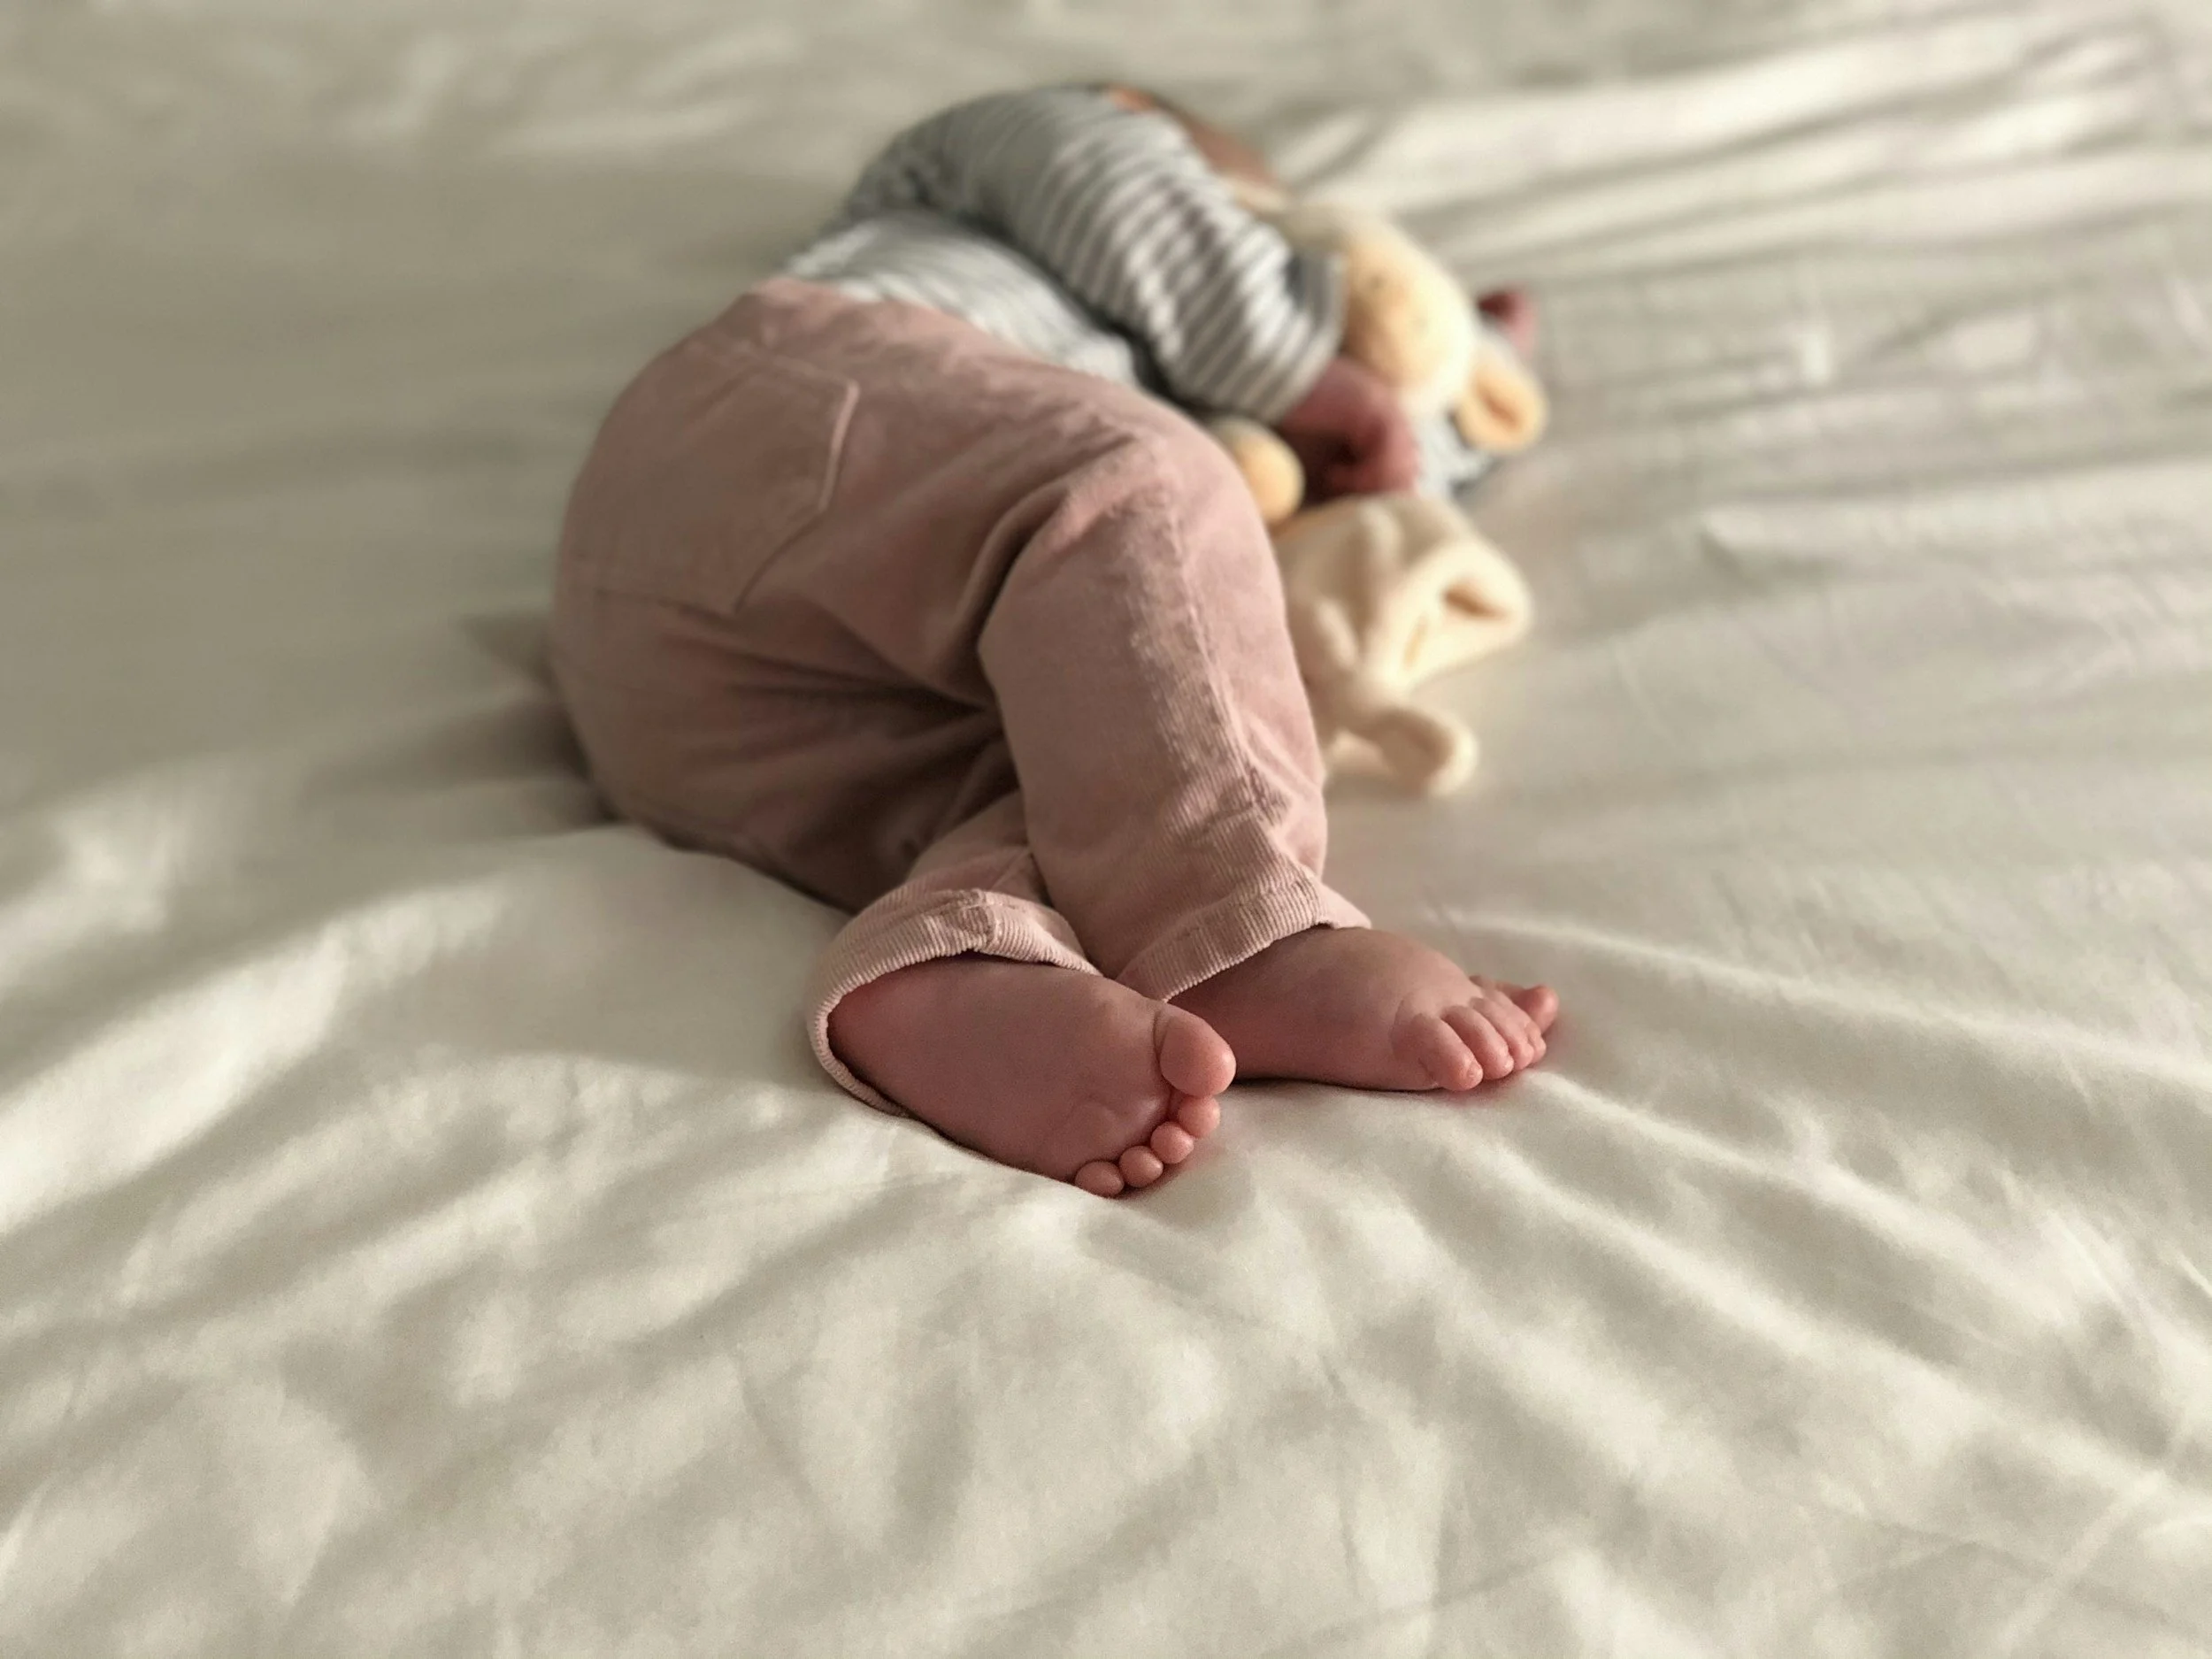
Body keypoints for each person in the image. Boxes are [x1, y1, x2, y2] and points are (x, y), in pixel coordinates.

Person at [549, 84, 1558, 1198]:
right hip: (762, 425)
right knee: (1141, 483)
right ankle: (1232, 920)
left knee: (1092, 772)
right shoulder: (1004, 161)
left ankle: (955, 965)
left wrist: (1466, 379)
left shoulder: (1155, 400)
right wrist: (1312, 373)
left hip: (707, 718)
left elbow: (1373, 471)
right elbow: (1111, 194)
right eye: (1254, 228)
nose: (1272, 269)